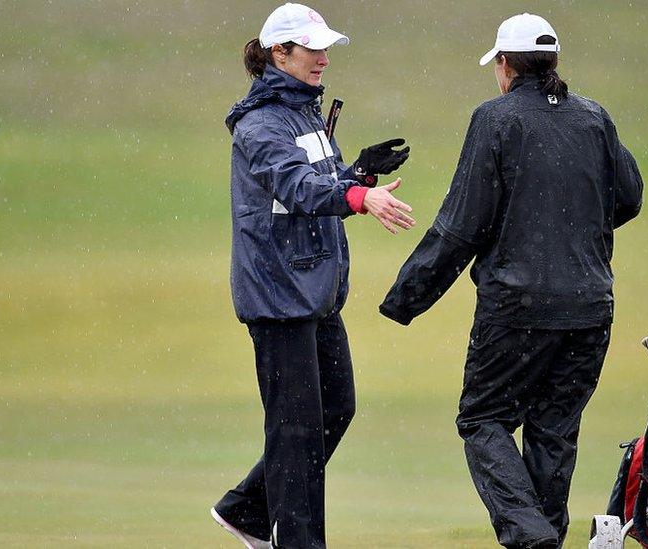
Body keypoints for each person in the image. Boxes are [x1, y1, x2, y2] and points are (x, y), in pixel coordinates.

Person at [379, 13, 644, 549]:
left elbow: (460, 227)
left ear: (505, 65)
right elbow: (630, 196)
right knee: (553, 430)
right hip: (590, 308)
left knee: (483, 418)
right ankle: (542, 537)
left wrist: (406, 297)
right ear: (552, 63)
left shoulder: (495, 120)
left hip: (517, 312)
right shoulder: (594, 118)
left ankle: (530, 536)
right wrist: (569, 227)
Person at [210, 3, 415, 548]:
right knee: (294, 431)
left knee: (334, 410)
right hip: (278, 295)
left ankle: (250, 512)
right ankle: (293, 540)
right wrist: (357, 195)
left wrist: (360, 174)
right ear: (280, 54)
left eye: (326, 48)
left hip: (315, 291)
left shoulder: (303, 114)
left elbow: (316, 189)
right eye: (312, 49)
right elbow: (297, 187)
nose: (324, 58)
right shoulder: (259, 125)